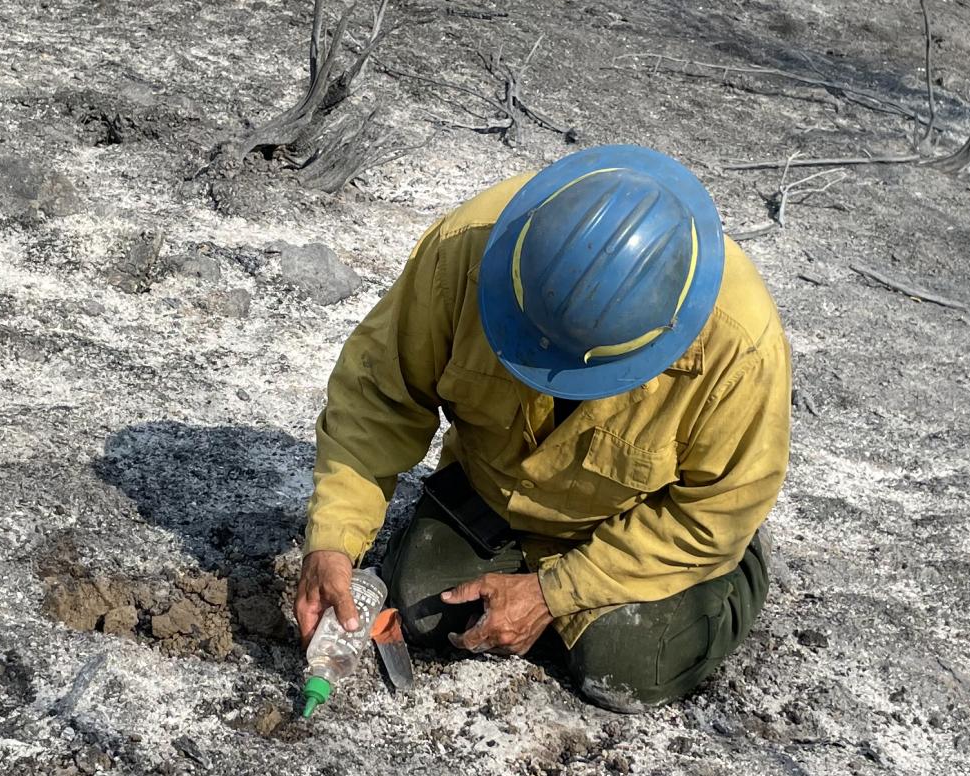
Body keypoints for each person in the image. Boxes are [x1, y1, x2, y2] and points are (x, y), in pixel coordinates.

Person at [295, 145, 790, 712]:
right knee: (422, 605)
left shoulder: (739, 346)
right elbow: (378, 395)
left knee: (623, 664)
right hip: (500, 493)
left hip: (646, 525)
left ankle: (737, 576)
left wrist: (552, 592)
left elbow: (715, 512)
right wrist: (332, 539)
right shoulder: (468, 250)